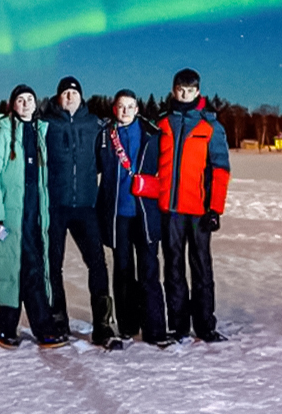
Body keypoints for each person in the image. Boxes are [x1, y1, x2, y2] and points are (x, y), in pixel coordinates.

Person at [0, 84, 68, 348]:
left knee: (22, 268)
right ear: (12, 105)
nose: (26, 104)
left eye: (30, 99)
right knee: (29, 270)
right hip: (11, 215)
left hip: (34, 213)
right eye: (20, 100)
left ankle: (5, 329)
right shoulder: (3, 131)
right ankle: (43, 329)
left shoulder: (39, 130)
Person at [156, 68, 231, 343]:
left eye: (190, 90)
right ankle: (178, 324)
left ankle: (205, 325)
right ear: (173, 89)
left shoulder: (210, 126)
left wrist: (215, 209)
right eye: (180, 89)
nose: (184, 94)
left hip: (198, 211)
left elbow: (220, 170)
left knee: (201, 267)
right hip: (170, 210)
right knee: (173, 267)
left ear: (198, 91)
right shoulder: (162, 123)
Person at [41, 75, 115, 345]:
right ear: (58, 97)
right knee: (53, 264)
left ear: (81, 96)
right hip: (56, 206)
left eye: (74, 92)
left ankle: (103, 324)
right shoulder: (46, 124)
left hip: (86, 206)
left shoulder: (95, 124)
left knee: (97, 263)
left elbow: (104, 159)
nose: (70, 96)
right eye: (65, 93)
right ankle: (58, 318)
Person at [96, 89, 171, 348]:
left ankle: (155, 329)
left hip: (146, 213)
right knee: (123, 270)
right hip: (118, 214)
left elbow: (168, 167)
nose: (125, 111)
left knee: (150, 270)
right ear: (114, 109)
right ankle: (128, 325)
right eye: (120, 106)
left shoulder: (153, 134)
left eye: (130, 106)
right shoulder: (105, 135)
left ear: (137, 109)